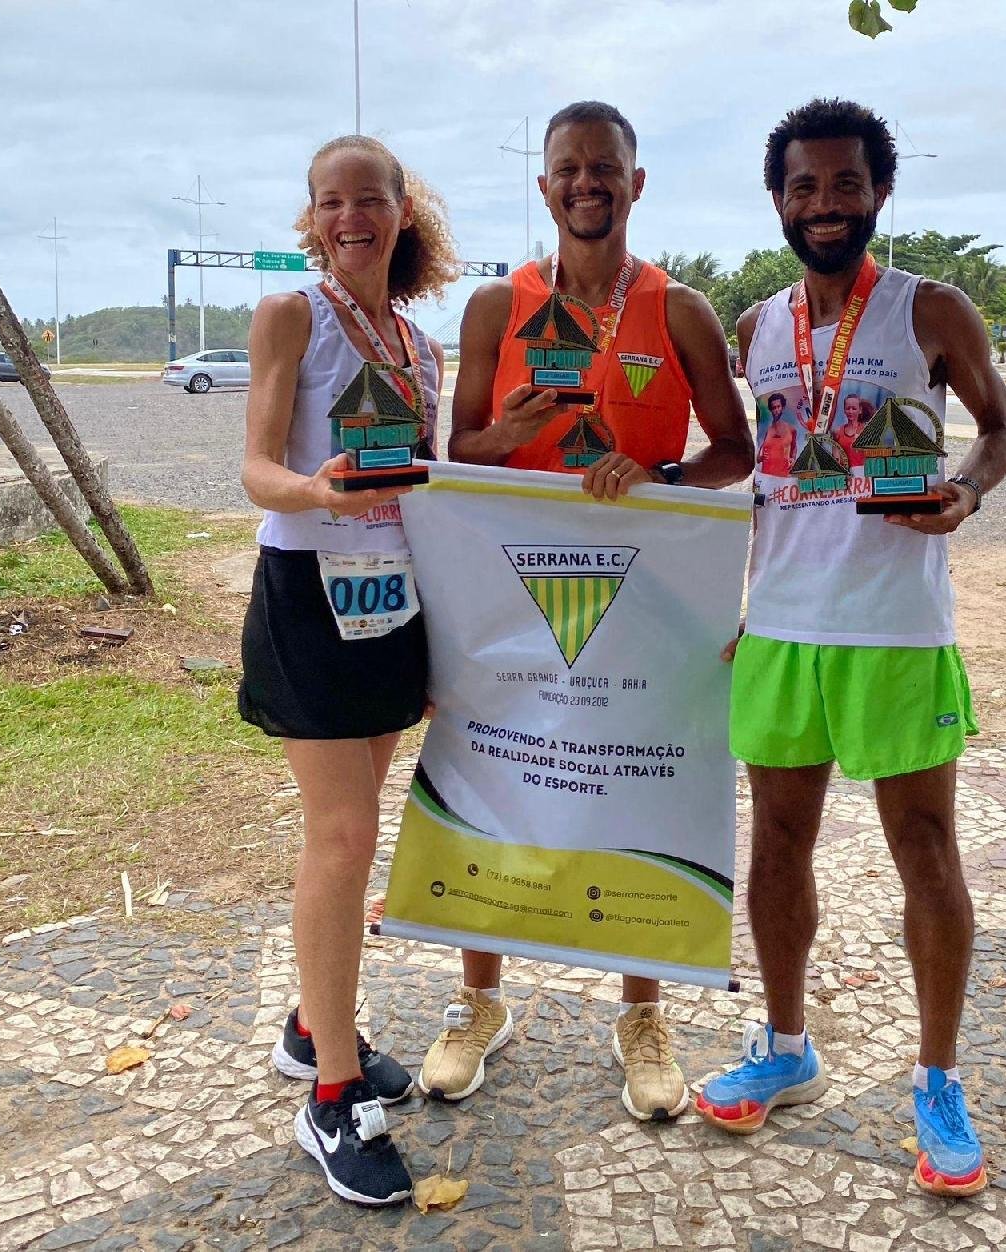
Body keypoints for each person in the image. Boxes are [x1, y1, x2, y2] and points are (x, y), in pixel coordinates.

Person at [695, 100, 1006, 1199]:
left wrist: (965, 493)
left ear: (878, 190)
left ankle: (936, 1079)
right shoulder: (753, 327)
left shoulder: (931, 310)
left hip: (894, 626)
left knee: (923, 847)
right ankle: (785, 1044)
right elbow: (759, 476)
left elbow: (999, 423)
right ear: (776, 199)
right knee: (776, 846)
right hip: (783, 627)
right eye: (801, 187)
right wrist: (724, 597)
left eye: (842, 185)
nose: (821, 205)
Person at [429, 100, 755, 1123]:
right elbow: (455, 452)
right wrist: (506, 433)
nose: (586, 184)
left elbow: (734, 451)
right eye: (567, 169)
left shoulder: (682, 309)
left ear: (635, 182)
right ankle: (478, 1002)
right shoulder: (497, 306)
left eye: (603, 167)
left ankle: (642, 1015)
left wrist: (659, 470)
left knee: (636, 783)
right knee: (491, 768)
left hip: (645, 589)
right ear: (543, 187)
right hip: (511, 590)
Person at [238, 134, 457, 1206]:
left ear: (400, 211)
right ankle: (331, 1097)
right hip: (309, 598)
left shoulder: (419, 343)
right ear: (312, 217)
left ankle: (311, 1022)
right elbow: (254, 469)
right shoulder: (293, 314)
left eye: (367, 199)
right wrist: (318, 492)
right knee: (342, 833)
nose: (349, 218)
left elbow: (429, 480)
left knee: (361, 814)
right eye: (330, 202)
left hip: (394, 599)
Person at [758, 393, 797, 477]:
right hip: (766, 476)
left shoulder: (791, 429)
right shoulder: (767, 430)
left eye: (778, 407)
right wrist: (759, 457)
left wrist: (793, 459)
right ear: (771, 410)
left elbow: (794, 447)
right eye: (773, 408)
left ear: (782, 407)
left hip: (783, 477)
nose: (776, 410)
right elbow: (759, 454)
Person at [833, 391, 874, 459]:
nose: (850, 411)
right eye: (848, 408)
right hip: (845, 468)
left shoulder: (866, 430)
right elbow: (836, 458)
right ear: (844, 410)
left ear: (860, 410)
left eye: (854, 408)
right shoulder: (837, 432)